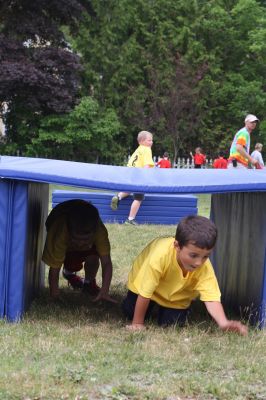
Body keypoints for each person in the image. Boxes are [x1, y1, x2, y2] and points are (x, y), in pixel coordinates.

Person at [122, 215, 248, 335]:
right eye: (193, 255)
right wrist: (137, 323)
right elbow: (145, 292)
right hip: (147, 289)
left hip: (176, 297)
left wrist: (223, 322)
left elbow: (211, 298)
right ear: (177, 246)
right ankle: (144, 307)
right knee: (130, 312)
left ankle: (167, 309)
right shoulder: (159, 256)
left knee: (172, 326)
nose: (199, 262)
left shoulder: (204, 266)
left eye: (205, 256)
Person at [42, 199, 115, 302]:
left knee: (93, 258)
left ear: (94, 233)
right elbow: (54, 268)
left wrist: (105, 291)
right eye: (77, 239)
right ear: (69, 232)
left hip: (80, 224)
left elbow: (106, 262)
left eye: (85, 240)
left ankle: (89, 283)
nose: (81, 244)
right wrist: (54, 294)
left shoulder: (100, 232)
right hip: (57, 220)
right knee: (71, 263)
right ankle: (69, 272)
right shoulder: (60, 235)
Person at [110, 130, 154, 225]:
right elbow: (146, 166)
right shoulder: (146, 150)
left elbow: (131, 163)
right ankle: (130, 219)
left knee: (130, 189)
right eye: (149, 140)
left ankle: (118, 196)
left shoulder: (138, 149)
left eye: (152, 140)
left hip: (131, 173)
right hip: (139, 175)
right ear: (141, 141)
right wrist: (145, 176)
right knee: (138, 198)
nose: (151, 142)